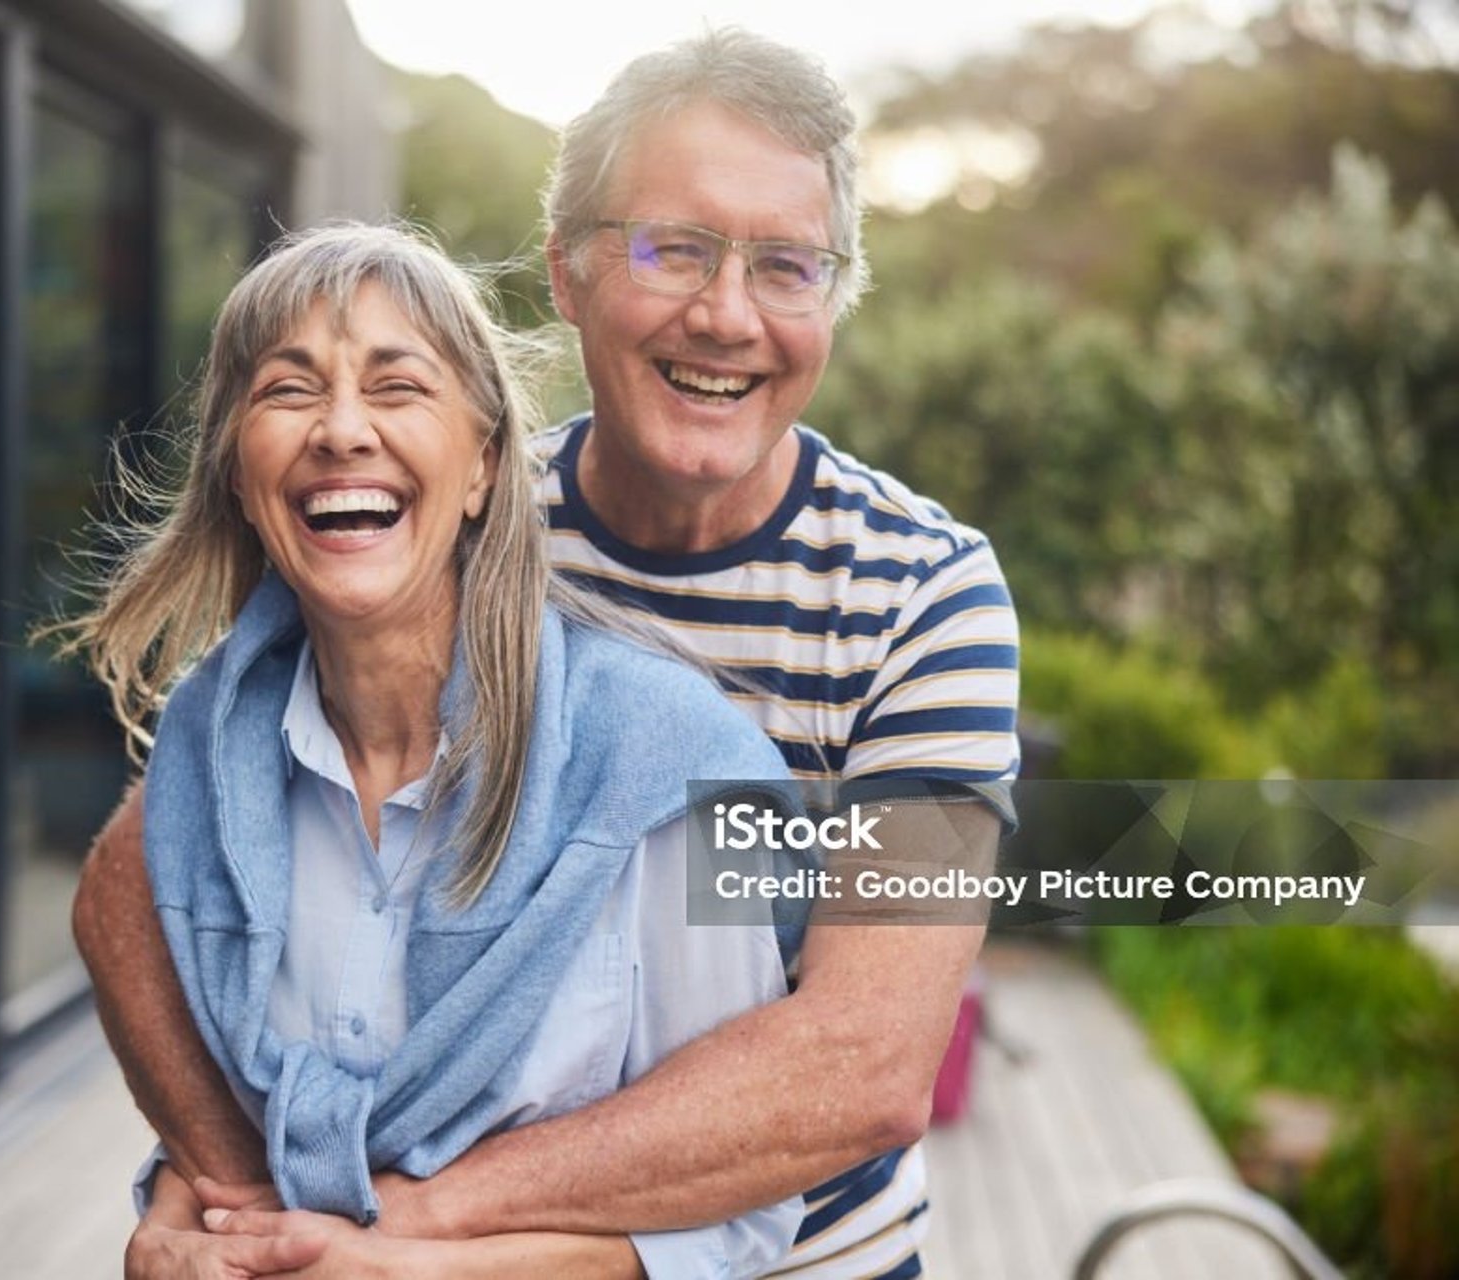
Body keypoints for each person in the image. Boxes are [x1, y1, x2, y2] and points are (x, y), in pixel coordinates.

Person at [76, 29, 1020, 1279]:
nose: (725, 314)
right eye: (673, 248)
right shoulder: (429, 508)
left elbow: (868, 1060)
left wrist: (406, 1219)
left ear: (831, 300)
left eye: (786, 266)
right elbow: (150, 866)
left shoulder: (929, 594)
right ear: (568, 274)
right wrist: (221, 1182)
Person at [66, 220, 807, 1278]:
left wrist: (419, 1268)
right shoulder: (204, 762)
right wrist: (181, 1225)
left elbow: (742, 1214)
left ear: (484, 467)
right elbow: (243, 1119)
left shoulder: (680, 767)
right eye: (287, 390)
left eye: (397, 386)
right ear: (238, 473)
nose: (340, 429)